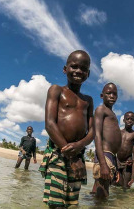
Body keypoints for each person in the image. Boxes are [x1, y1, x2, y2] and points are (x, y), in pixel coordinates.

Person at [39, 50, 94, 208]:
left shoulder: (88, 100)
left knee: (72, 203)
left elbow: (92, 132)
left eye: (83, 69)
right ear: (65, 69)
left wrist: (79, 146)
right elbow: (49, 124)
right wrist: (71, 156)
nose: (78, 71)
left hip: (78, 155)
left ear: (88, 74)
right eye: (74, 66)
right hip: (58, 153)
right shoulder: (57, 90)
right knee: (56, 203)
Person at [92, 83, 122, 198]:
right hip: (104, 155)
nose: (112, 96)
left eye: (114, 94)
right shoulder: (101, 110)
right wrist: (103, 164)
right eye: (108, 93)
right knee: (103, 196)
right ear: (101, 95)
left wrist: (116, 167)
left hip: (110, 157)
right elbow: (97, 135)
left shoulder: (113, 114)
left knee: (98, 191)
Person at [116, 111, 134, 189]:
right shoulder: (119, 132)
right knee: (116, 184)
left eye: (132, 119)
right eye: (127, 119)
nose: (129, 120)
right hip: (117, 160)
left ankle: (126, 200)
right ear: (124, 120)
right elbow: (114, 146)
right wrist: (115, 160)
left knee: (126, 186)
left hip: (128, 161)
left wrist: (133, 161)